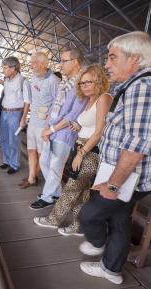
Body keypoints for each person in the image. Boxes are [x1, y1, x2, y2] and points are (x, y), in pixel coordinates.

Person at [78, 31, 151, 284]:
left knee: (89, 215)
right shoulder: (135, 86)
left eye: (112, 58)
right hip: (124, 175)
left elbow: (135, 148)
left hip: (132, 177)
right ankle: (111, 269)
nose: (107, 64)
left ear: (135, 58)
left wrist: (113, 184)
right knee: (120, 217)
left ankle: (99, 244)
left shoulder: (145, 89)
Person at [34, 64, 112, 236]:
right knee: (82, 192)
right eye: (81, 83)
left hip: (91, 151)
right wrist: (78, 126)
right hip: (81, 145)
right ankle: (78, 226)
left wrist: (81, 153)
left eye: (88, 82)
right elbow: (90, 124)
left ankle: (53, 219)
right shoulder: (90, 99)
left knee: (71, 187)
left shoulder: (104, 98)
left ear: (99, 81)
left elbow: (99, 132)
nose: (84, 86)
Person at [29, 48, 86, 208]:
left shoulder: (81, 83)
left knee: (55, 165)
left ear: (75, 62)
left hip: (65, 132)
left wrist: (51, 129)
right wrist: (47, 126)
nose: (60, 64)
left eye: (63, 60)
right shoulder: (65, 82)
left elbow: (72, 115)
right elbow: (55, 105)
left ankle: (47, 197)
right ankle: (56, 193)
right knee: (45, 161)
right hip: (53, 129)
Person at [18, 51, 60, 188]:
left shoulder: (54, 80)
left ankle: (33, 177)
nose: (31, 65)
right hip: (33, 121)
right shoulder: (34, 78)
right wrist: (25, 117)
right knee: (31, 149)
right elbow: (30, 99)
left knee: (42, 153)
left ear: (41, 64)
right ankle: (32, 177)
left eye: (33, 63)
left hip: (44, 123)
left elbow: (57, 103)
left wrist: (49, 122)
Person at [0, 56, 30, 174]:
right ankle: (6, 161)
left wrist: (23, 118)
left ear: (13, 68)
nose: (3, 70)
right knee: (4, 138)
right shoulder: (6, 80)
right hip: (4, 112)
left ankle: (14, 164)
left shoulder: (23, 81)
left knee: (14, 140)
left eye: (5, 68)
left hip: (15, 113)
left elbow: (27, 101)